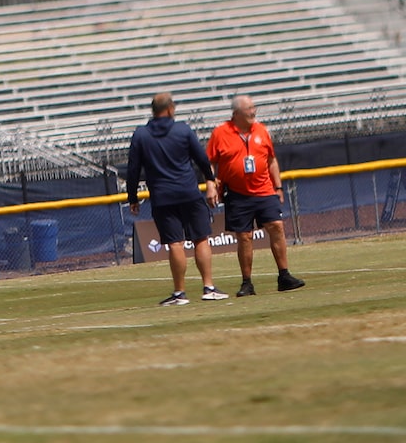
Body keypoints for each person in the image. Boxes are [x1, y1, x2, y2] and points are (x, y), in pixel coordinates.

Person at [124, 92, 225, 306]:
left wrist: (132, 197)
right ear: (170, 109)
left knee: (175, 243)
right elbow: (202, 159)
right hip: (188, 192)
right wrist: (210, 181)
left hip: (162, 197)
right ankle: (208, 287)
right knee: (200, 238)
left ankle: (180, 293)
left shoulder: (141, 135)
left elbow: (133, 169)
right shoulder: (183, 129)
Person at [205, 95, 304, 296]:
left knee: (276, 226)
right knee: (245, 236)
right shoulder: (220, 133)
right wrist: (211, 185)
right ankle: (247, 283)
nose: (253, 112)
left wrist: (278, 187)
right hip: (237, 193)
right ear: (236, 114)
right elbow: (210, 162)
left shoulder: (262, 130)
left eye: (253, 107)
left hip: (264, 190)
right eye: (248, 109)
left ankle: (284, 275)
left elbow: (271, 160)